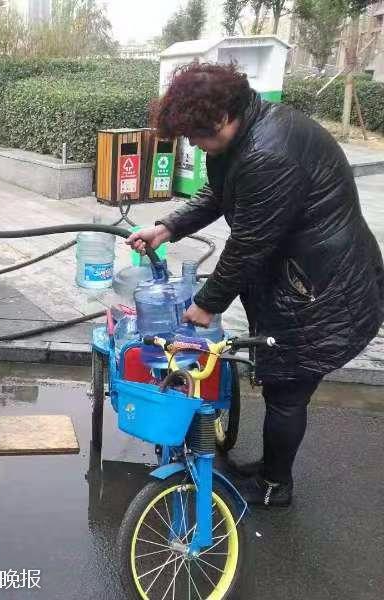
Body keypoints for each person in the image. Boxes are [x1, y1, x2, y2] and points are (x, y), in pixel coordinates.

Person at [128, 62, 384, 507]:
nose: (195, 144)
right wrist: (168, 227)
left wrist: (207, 304)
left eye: (198, 136)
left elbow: (249, 243)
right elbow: (221, 191)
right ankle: (269, 469)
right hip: (302, 273)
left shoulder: (270, 153)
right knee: (284, 382)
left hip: (322, 287)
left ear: (224, 118)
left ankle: (274, 486)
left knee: (288, 388)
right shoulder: (244, 133)